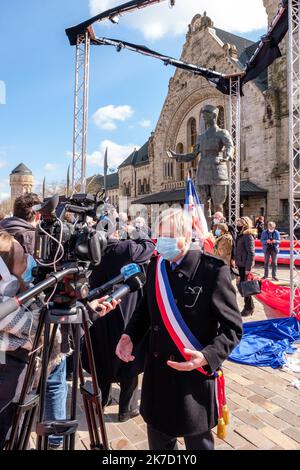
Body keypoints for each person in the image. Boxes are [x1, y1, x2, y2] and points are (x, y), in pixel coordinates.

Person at [116, 208, 242, 450]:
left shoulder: (212, 271)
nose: (162, 241)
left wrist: (207, 357)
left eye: (169, 235)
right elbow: (145, 307)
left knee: (198, 445)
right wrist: (129, 335)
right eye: (159, 235)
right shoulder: (157, 265)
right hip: (158, 379)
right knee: (160, 444)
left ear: (187, 235)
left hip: (192, 381)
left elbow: (233, 329)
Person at [0, 231, 116, 449]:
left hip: (15, 389)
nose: (28, 257)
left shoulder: (16, 290)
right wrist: (86, 313)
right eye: (22, 257)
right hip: (7, 396)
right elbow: (41, 330)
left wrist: (87, 309)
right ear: (3, 271)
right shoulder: (5, 305)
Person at [82, 215, 155, 422]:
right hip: (124, 307)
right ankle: (127, 408)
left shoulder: (91, 249)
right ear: (116, 231)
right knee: (128, 357)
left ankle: (102, 399)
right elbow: (148, 245)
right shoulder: (126, 248)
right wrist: (133, 229)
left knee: (101, 356)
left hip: (97, 309)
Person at [235, 217, 257, 317]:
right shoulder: (241, 235)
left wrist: (248, 268)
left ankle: (248, 308)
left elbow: (251, 253)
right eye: (237, 223)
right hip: (240, 264)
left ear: (244, 224)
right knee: (242, 286)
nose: (237, 225)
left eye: (239, 223)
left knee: (245, 287)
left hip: (245, 265)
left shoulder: (248, 235)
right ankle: (249, 306)